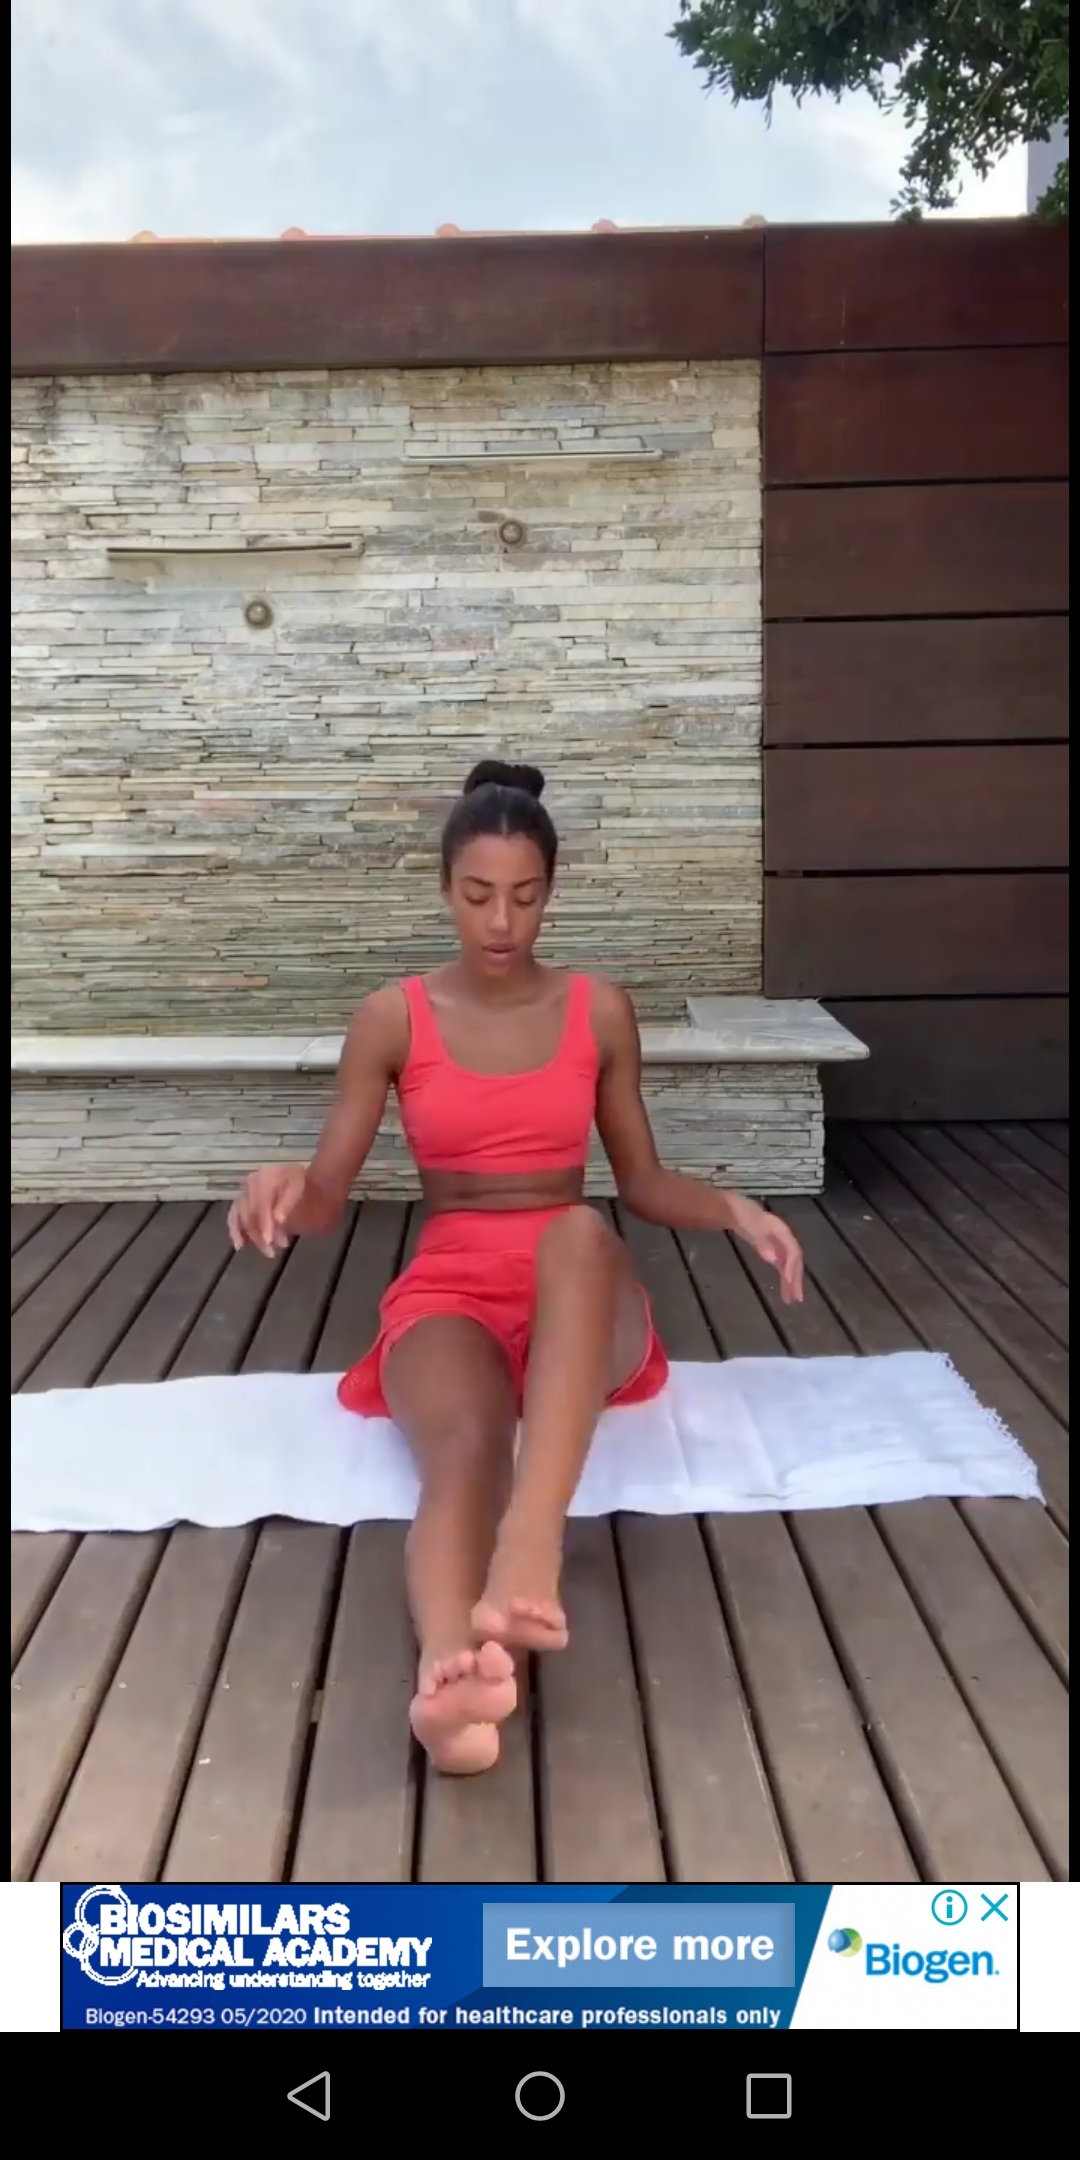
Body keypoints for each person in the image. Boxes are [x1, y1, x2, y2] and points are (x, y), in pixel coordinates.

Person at [228, 760, 805, 1777]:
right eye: (478, 895)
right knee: (464, 1446)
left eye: (526, 897)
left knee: (577, 1231)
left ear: (552, 891)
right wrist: (283, 1184)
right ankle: (454, 1687)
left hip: (576, 1294)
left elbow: (640, 1181)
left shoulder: (599, 1010)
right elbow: (327, 1195)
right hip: (452, 1286)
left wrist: (735, 1210)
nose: (501, 922)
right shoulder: (393, 1019)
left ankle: (529, 1548)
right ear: (445, 888)